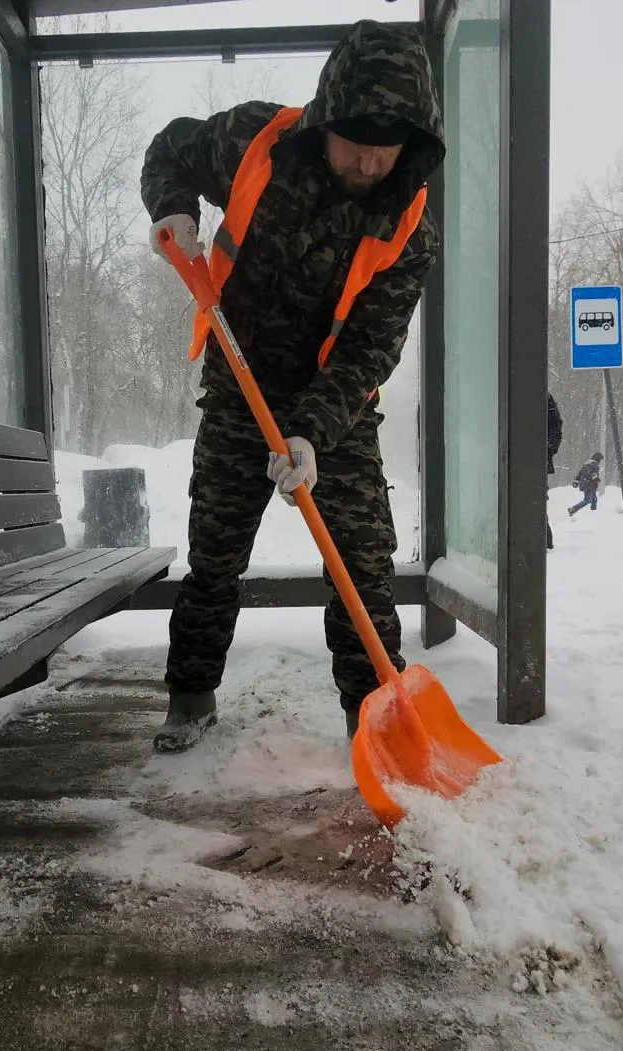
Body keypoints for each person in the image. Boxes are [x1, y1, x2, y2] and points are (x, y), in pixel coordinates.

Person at [141, 20, 444, 752]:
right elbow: (170, 149)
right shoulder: (255, 144)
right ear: (325, 118)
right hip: (240, 386)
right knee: (215, 551)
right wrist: (174, 208)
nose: (373, 160)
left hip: (334, 411)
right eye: (357, 139)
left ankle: (374, 720)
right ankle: (190, 699)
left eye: (390, 142)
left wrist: (312, 431)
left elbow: (371, 347)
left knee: (362, 566)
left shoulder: (411, 225)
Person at [545, 393, 564, 549]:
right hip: (538, 459)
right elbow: (557, 428)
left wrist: (547, 450)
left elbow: (556, 428)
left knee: (536, 499)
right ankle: (544, 539)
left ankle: (544, 540)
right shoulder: (545, 397)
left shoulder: (545, 397)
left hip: (536, 461)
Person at [568, 451, 604, 515]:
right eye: (600, 460)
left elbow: (580, 473)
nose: (600, 461)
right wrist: (595, 478)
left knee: (594, 499)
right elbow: (590, 473)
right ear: (597, 458)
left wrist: (576, 481)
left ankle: (593, 513)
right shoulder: (593, 463)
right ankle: (573, 509)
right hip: (589, 484)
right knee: (588, 500)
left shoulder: (587, 463)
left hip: (588, 484)